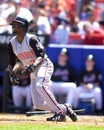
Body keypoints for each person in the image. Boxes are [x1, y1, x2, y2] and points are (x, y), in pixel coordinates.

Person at [7, 16, 77, 122]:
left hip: (43, 65)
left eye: (16, 24)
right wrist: (11, 74)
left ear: (23, 27)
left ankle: (60, 113)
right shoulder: (12, 44)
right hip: (33, 71)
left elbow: (41, 56)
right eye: (13, 24)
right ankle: (64, 108)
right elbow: (13, 62)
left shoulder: (31, 39)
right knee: (37, 103)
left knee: (41, 85)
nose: (13, 26)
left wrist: (34, 66)